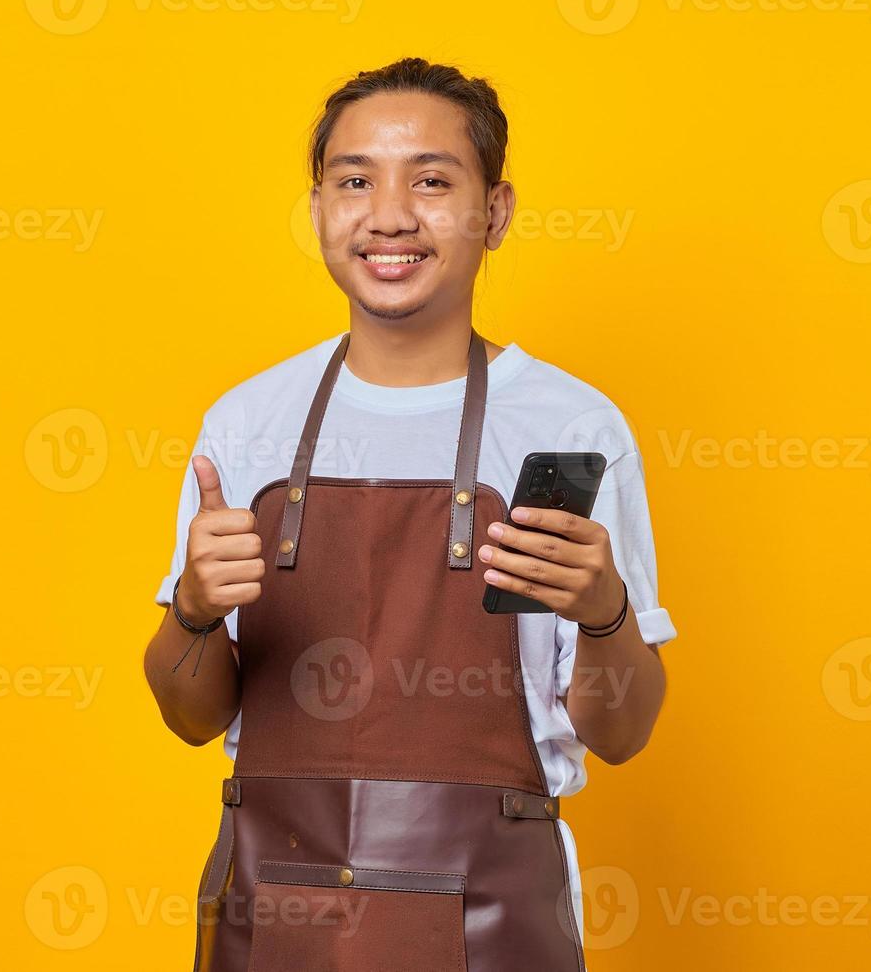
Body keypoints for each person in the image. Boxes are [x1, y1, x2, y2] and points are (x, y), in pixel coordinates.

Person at [144, 56, 677, 972]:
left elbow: (621, 734)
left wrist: (605, 615)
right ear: (317, 207)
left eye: (432, 180)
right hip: (276, 916)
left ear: (495, 212)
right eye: (355, 180)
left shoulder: (570, 427)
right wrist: (192, 611)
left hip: (494, 919)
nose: (390, 214)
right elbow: (192, 718)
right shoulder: (247, 424)